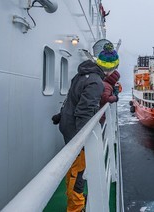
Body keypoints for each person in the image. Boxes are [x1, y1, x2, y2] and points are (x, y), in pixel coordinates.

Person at [54, 42, 119, 212]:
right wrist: (84, 140)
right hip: (77, 132)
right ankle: (76, 207)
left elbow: (71, 99)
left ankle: (76, 201)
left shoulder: (82, 74)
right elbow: (85, 112)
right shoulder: (96, 82)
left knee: (73, 167)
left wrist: (61, 116)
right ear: (111, 68)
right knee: (78, 172)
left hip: (67, 126)